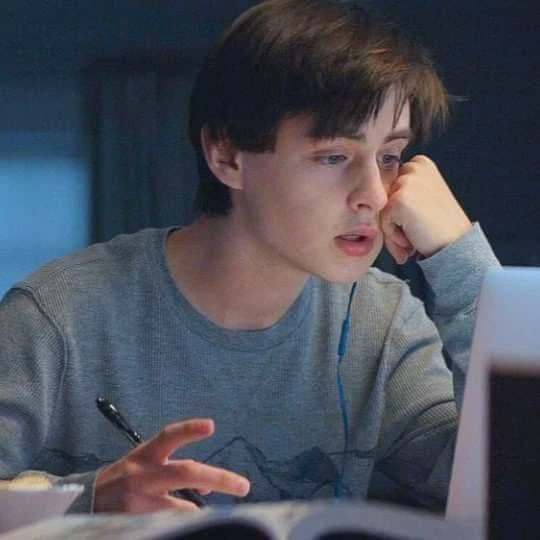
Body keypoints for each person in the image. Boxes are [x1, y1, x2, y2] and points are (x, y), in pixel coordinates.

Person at [0, 0, 499, 515]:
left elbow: (510, 488)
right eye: (333, 157)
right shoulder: (57, 317)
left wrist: (460, 260)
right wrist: (91, 500)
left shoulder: (383, 324)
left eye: (390, 157)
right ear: (227, 156)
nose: (374, 195)